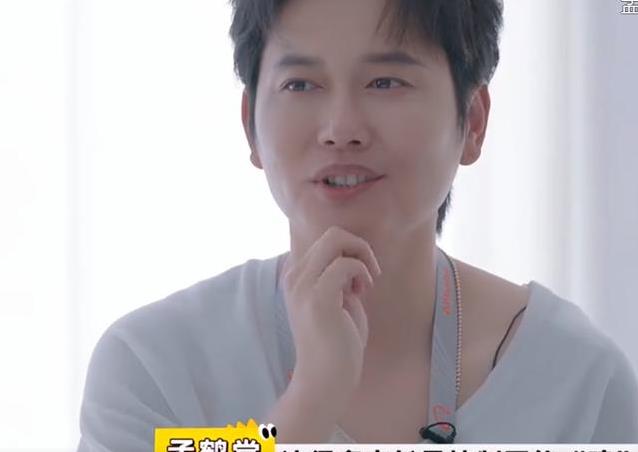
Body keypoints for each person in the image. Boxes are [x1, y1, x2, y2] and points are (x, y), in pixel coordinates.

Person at [77, 0, 638, 449]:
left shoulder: (577, 382)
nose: (340, 128)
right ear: (251, 127)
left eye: (385, 82)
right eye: (300, 84)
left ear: (472, 121)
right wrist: (309, 403)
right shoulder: (154, 366)